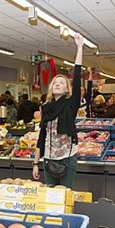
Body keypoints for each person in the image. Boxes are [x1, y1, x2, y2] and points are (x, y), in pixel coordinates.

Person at [32, 33, 83, 187]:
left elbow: (78, 75)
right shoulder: (46, 108)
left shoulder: (70, 104)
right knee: (51, 200)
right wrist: (36, 162)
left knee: (64, 197)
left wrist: (79, 48)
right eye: (55, 83)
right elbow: (42, 135)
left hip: (67, 159)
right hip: (48, 159)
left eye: (62, 83)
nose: (58, 84)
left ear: (67, 88)